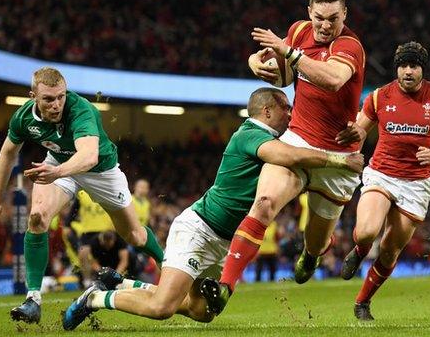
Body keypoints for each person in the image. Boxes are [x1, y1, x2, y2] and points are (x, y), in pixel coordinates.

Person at [62, 87, 363, 330]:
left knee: (202, 311)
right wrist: (337, 160)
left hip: (224, 242)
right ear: (267, 110)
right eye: (286, 107)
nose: (291, 112)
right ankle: (95, 298)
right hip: (200, 229)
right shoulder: (250, 134)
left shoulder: (273, 136)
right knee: (162, 308)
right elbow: (289, 156)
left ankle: (127, 283)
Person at [200, 0, 365, 315]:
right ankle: (225, 286)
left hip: (339, 157)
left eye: (333, 18)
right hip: (298, 139)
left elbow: (332, 79)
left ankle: (312, 255)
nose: (324, 26)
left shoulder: (350, 45)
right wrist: (257, 64)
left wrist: (288, 53)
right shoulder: (299, 31)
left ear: (344, 14)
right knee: (263, 203)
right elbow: (288, 77)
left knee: (316, 242)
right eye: (319, 18)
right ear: (309, 12)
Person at [0, 67, 164, 324]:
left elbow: (88, 157)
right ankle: (33, 300)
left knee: (133, 235)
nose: (56, 104)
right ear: (33, 96)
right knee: (36, 217)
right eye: (48, 99)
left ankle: (168, 266)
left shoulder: (81, 110)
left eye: (61, 96)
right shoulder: (23, 118)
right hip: (59, 166)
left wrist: (56, 172)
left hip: (100, 171)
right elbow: (7, 154)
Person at [338, 41, 430, 320]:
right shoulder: (380, 96)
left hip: (416, 183)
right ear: (397, 69)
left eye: (413, 66)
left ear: (422, 70)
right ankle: (359, 250)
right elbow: (360, 130)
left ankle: (362, 302)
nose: (408, 71)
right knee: (368, 231)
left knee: (391, 249)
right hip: (382, 173)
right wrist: (350, 134)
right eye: (403, 65)